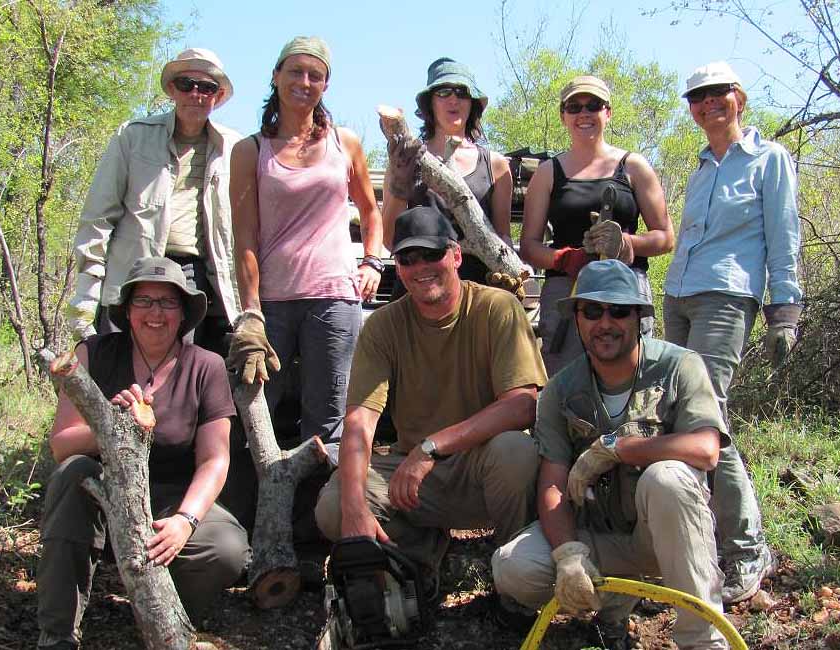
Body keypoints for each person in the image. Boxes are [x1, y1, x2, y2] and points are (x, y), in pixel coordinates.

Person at [492, 260, 730, 650]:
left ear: (639, 317)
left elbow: (706, 449)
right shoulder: (560, 391)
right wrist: (569, 553)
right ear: (577, 319)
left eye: (619, 311)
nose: (606, 322)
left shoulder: (679, 367)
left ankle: (703, 640)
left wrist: (620, 449)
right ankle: (614, 604)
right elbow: (552, 483)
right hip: (602, 537)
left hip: (670, 537)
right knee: (513, 566)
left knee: (666, 477)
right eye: (592, 311)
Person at [314, 206, 547, 586]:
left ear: (456, 255)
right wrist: (355, 507)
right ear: (398, 267)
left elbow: (523, 405)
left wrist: (432, 446)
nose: (420, 266)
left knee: (516, 453)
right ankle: (420, 557)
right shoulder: (384, 326)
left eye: (431, 254)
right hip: (416, 483)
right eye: (408, 258)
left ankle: (513, 574)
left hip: (483, 470)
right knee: (333, 506)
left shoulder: (497, 307)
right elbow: (359, 421)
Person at [37, 257, 250, 650]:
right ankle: (57, 634)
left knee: (227, 549)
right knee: (72, 474)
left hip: (171, 496)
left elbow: (215, 459)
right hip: (101, 491)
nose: (156, 313)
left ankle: (164, 618)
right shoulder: (92, 353)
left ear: (184, 313)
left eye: (168, 302)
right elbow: (61, 443)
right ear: (127, 311)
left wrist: (186, 520)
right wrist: (114, 426)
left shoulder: (207, 366)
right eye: (144, 301)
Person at [663, 61, 803, 604]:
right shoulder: (701, 167)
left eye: (717, 94)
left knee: (707, 418)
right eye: (698, 97)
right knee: (679, 415)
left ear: (738, 98)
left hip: (728, 296)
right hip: (678, 295)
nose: (707, 104)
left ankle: (747, 548)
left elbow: (783, 233)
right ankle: (697, 544)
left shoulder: (769, 160)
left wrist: (784, 309)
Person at [228, 35, 383, 444]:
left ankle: (324, 506)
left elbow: (370, 211)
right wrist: (250, 313)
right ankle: (255, 505)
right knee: (256, 411)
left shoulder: (343, 143)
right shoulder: (250, 150)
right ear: (276, 76)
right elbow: (244, 235)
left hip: (334, 296)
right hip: (273, 303)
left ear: (325, 85)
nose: (304, 81)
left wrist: (372, 261)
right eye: (295, 70)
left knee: (328, 418)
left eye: (316, 74)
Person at [66, 48, 241, 357]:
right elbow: (97, 218)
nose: (196, 94)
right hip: (132, 275)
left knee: (176, 383)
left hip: (193, 277)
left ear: (219, 94)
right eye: (187, 84)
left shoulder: (235, 149)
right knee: (117, 375)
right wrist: (87, 292)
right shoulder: (133, 137)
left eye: (207, 87)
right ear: (173, 89)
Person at [519, 75, 674, 376]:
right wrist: (566, 259)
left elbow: (666, 238)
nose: (584, 113)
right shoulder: (548, 173)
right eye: (574, 107)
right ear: (563, 115)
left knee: (631, 377)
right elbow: (529, 245)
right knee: (566, 379)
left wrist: (626, 244)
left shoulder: (633, 166)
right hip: (567, 292)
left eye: (593, 105)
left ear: (608, 112)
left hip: (626, 287)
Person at [383, 57, 513, 290]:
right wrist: (400, 187)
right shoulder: (406, 156)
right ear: (429, 103)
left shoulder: (496, 165)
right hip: (419, 290)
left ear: (472, 103)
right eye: (443, 92)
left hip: (480, 294)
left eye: (462, 92)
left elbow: (503, 239)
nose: (453, 99)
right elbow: (389, 240)